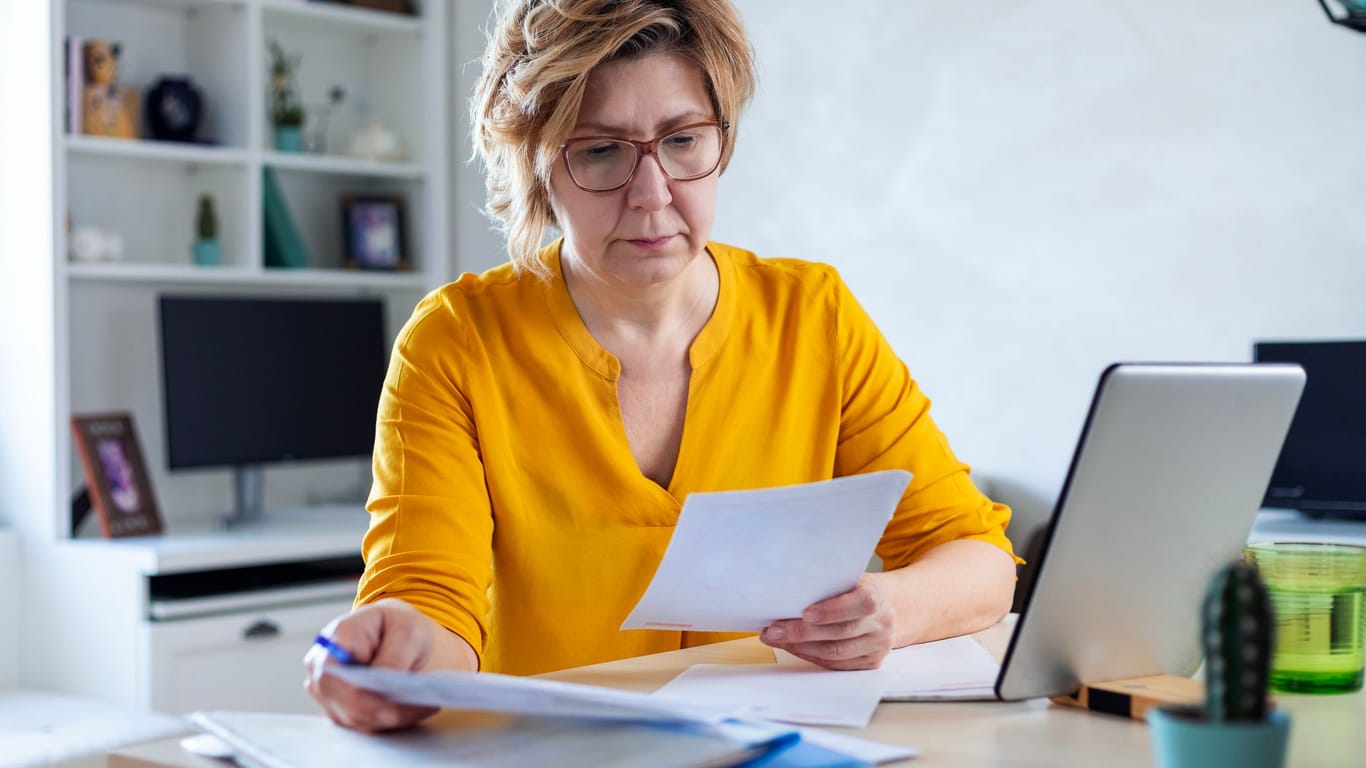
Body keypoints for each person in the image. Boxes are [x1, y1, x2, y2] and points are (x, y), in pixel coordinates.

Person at [306, 0, 1020, 733]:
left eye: (682, 141)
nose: (652, 195)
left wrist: (891, 610)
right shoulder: (456, 341)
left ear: (722, 140)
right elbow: (428, 597)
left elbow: (979, 563)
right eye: (601, 151)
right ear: (538, 168)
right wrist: (397, 656)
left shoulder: (815, 317)